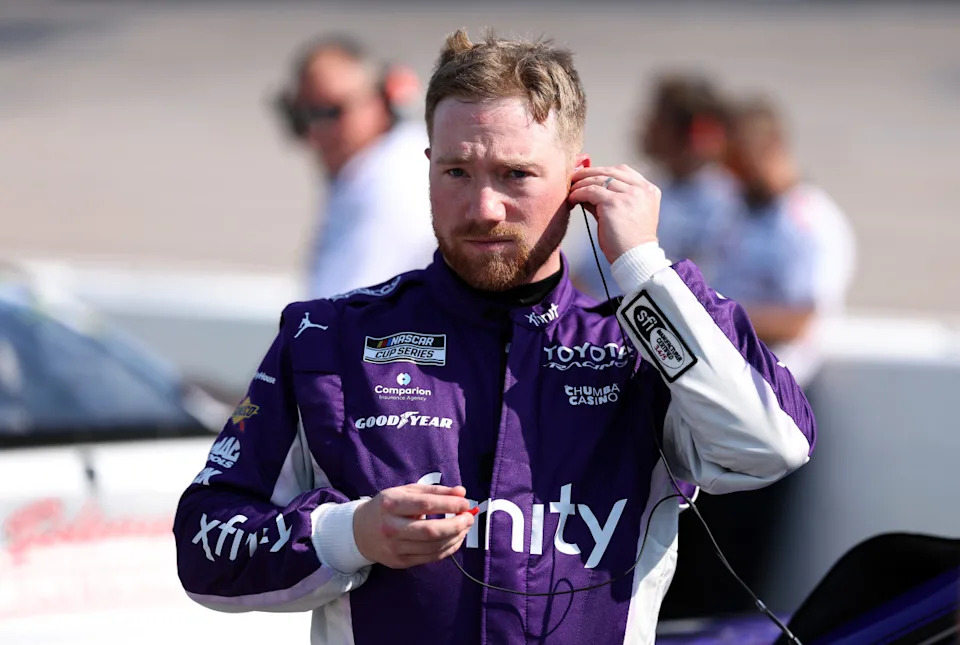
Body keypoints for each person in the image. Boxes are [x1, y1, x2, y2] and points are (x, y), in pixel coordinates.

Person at [174, 29, 816, 645]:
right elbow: (205, 545)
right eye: (457, 172)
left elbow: (773, 446)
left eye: (516, 175)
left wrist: (645, 266)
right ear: (428, 167)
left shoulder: (634, 348)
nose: (484, 207)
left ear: (579, 180)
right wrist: (352, 535)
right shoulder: (327, 339)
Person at [275, 35, 436, 298]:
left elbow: (339, 313)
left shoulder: (393, 184)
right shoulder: (377, 169)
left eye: (331, 112)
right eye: (300, 115)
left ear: (383, 101)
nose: (315, 130)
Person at [712, 96, 856, 386]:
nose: (728, 173)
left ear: (771, 148)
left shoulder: (810, 221)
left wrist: (712, 316)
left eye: (738, 160)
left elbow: (800, 322)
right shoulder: (735, 211)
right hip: (725, 366)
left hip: (775, 385)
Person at [570, 72, 738, 299]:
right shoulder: (641, 186)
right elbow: (584, 273)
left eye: (658, 119)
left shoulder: (726, 202)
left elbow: (709, 290)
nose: (643, 126)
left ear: (693, 132)